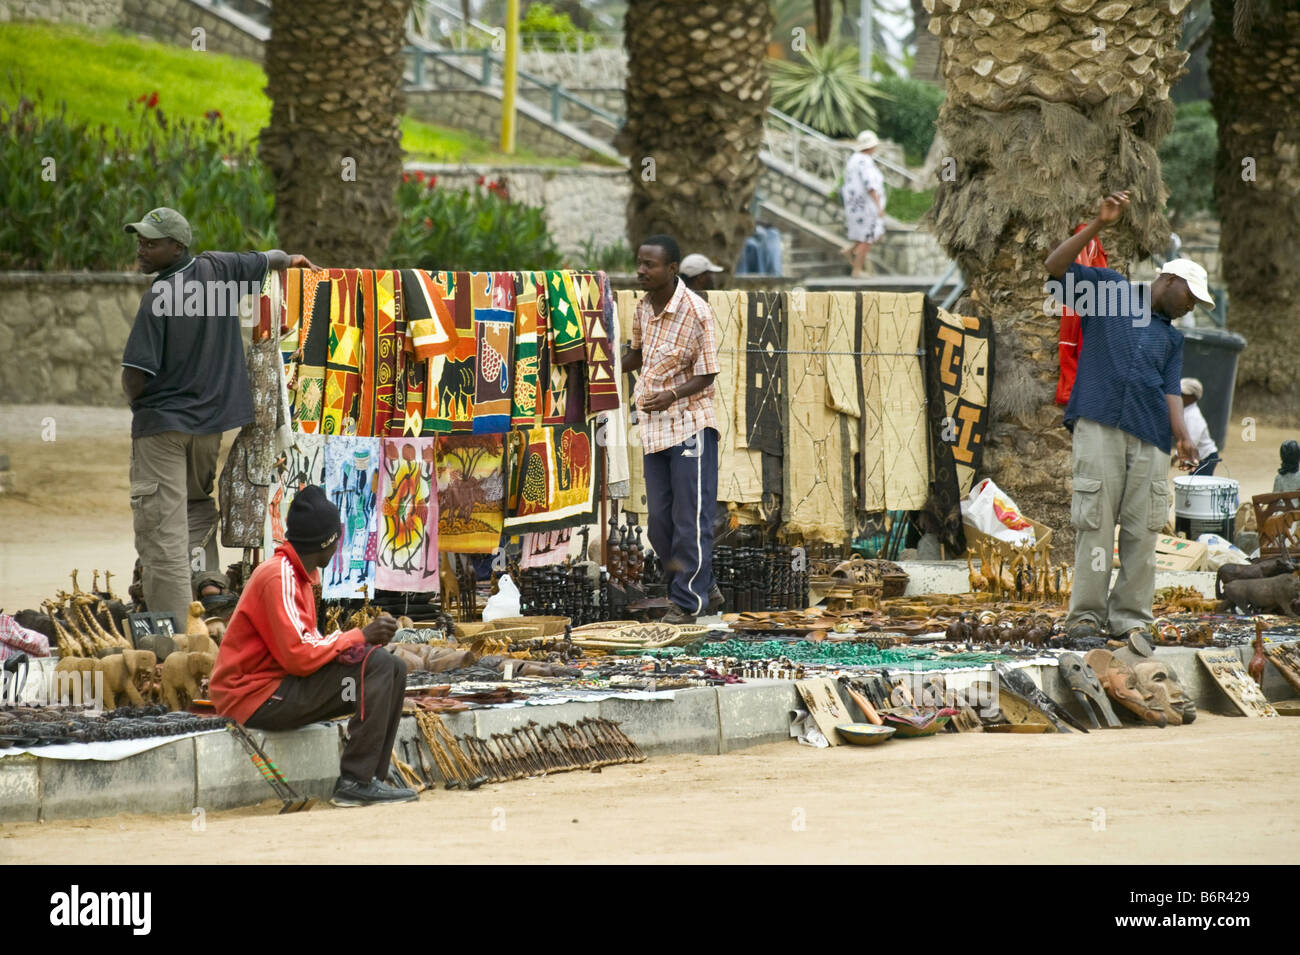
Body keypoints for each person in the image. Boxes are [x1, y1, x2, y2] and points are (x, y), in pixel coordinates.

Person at [121, 207, 315, 626]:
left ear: (176, 247)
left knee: (162, 532)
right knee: (194, 507)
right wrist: (295, 259)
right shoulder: (220, 269)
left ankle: (171, 638)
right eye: (140, 240)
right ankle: (209, 591)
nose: (141, 248)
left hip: (164, 429)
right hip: (208, 430)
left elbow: (135, 375)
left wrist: (142, 409)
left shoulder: (159, 296)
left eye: (150, 243)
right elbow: (272, 258)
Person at [1044, 191, 1208, 641]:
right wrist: (1097, 224)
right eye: (1192, 297)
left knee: (1142, 531)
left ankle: (1132, 620)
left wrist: (1182, 437)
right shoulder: (1110, 292)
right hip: (1098, 424)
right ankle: (1085, 618)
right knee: (1095, 522)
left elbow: (1170, 390)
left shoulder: (1172, 340)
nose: (1194, 307)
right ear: (1170, 280)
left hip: (1151, 438)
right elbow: (1054, 270)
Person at [210, 485, 415, 807]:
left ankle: (371, 777)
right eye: (338, 537)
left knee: (394, 668)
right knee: (378, 665)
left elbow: (306, 645)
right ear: (328, 543)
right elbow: (300, 658)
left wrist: (351, 646)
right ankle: (355, 781)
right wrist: (358, 637)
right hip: (254, 697)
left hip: (279, 688)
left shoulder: (296, 574)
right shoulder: (280, 577)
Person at [623, 235, 724, 624]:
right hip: (653, 430)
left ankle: (686, 603)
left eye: (650, 265)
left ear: (672, 269)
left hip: (690, 426)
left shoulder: (697, 312)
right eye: (639, 262)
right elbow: (637, 354)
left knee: (691, 517)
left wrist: (671, 395)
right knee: (659, 524)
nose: (641, 271)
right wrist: (602, 359)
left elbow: (708, 372)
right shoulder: (642, 308)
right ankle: (706, 585)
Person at [842, 130, 886, 279]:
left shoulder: (853, 159)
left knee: (864, 235)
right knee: (868, 237)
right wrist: (879, 206)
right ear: (871, 147)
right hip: (866, 206)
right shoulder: (865, 161)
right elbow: (870, 184)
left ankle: (850, 250)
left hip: (854, 205)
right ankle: (857, 270)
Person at [1179, 378, 1220, 476]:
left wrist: (1177, 456)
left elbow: (1191, 442)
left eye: (1182, 395)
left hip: (1206, 457)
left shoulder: (1193, 416)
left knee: (1197, 486)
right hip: (1199, 456)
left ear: (1194, 397)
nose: (1179, 397)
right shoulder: (1185, 411)